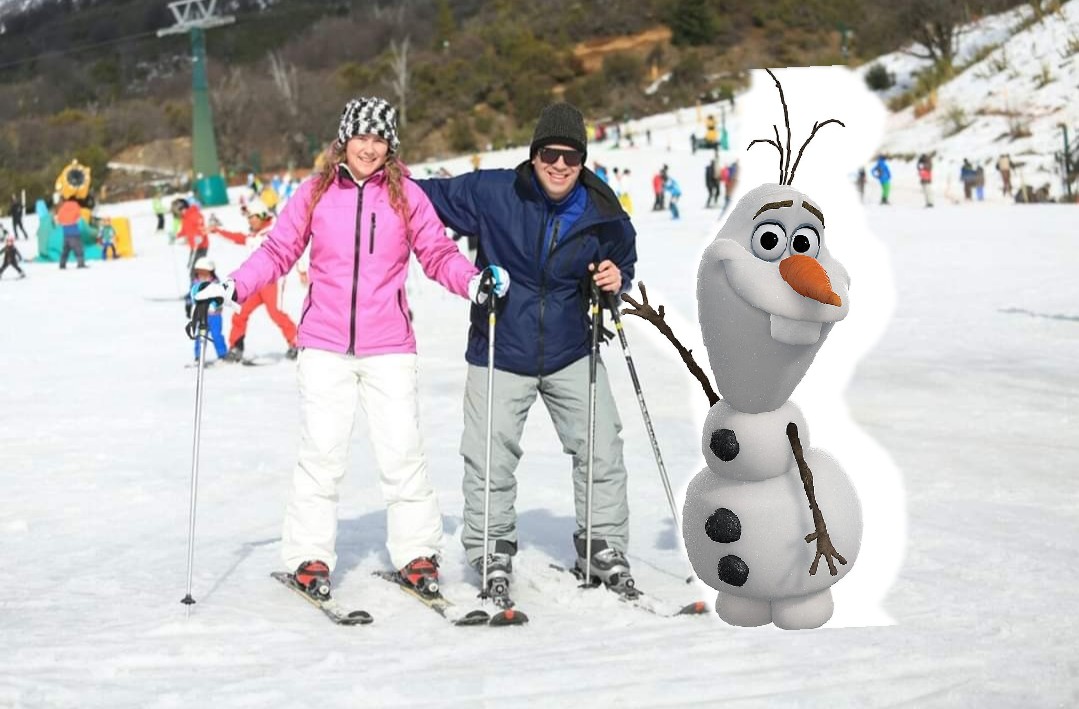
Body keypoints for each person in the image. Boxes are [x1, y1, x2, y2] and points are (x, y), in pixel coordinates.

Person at [193, 96, 507, 598]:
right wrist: (233, 286)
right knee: (321, 454)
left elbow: (437, 252)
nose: (369, 148)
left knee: (402, 452)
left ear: (390, 145)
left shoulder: (407, 195)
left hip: (389, 345)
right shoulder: (316, 191)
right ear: (344, 140)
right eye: (361, 136)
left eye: (379, 138)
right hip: (324, 344)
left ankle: (417, 552)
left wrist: (471, 282)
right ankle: (309, 555)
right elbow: (279, 249)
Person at [417, 101, 639, 598]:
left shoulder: (602, 210)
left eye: (571, 157)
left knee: (601, 446)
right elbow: (421, 197)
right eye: (549, 154)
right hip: (500, 344)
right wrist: (372, 171)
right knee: (489, 455)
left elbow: (623, 258)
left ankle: (602, 542)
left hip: (571, 347)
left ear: (582, 162)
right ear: (533, 155)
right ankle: (490, 546)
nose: (559, 165)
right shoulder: (494, 192)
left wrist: (616, 277)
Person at [210, 199, 299, 361]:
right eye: (249, 218)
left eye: (253, 217)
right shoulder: (253, 236)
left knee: (276, 313)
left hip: (272, 281)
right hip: (254, 282)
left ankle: (296, 343)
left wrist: (302, 269)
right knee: (240, 312)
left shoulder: (274, 231)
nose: (250, 221)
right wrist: (216, 230)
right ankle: (236, 347)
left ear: (263, 216)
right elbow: (237, 237)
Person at [186, 257, 229, 364]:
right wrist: (188, 306)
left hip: (215, 316)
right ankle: (198, 356)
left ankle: (222, 355)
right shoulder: (195, 284)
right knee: (200, 336)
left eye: (205, 273)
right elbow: (190, 296)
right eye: (200, 273)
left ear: (211, 272)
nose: (202, 276)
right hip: (201, 315)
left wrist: (215, 304)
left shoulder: (215, 284)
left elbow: (220, 297)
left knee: (216, 335)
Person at [57, 198, 87, 269]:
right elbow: (79, 217)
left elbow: (59, 220)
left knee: (65, 250)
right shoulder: (75, 206)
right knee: (78, 249)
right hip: (74, 233)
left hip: (66, 234)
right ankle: (81, 264)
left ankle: (62, 264)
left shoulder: (62, 208)